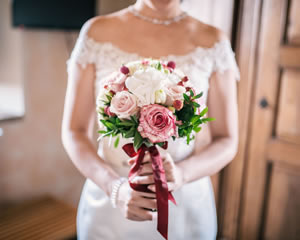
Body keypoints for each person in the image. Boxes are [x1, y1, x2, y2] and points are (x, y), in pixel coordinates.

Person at [62, 0, 239, 239]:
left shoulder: (213, 40)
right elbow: (74, 131)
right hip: (110, 199)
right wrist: (115, 188)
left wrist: (182, 174)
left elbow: (227, 140)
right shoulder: (97, 32)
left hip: (185, 203)